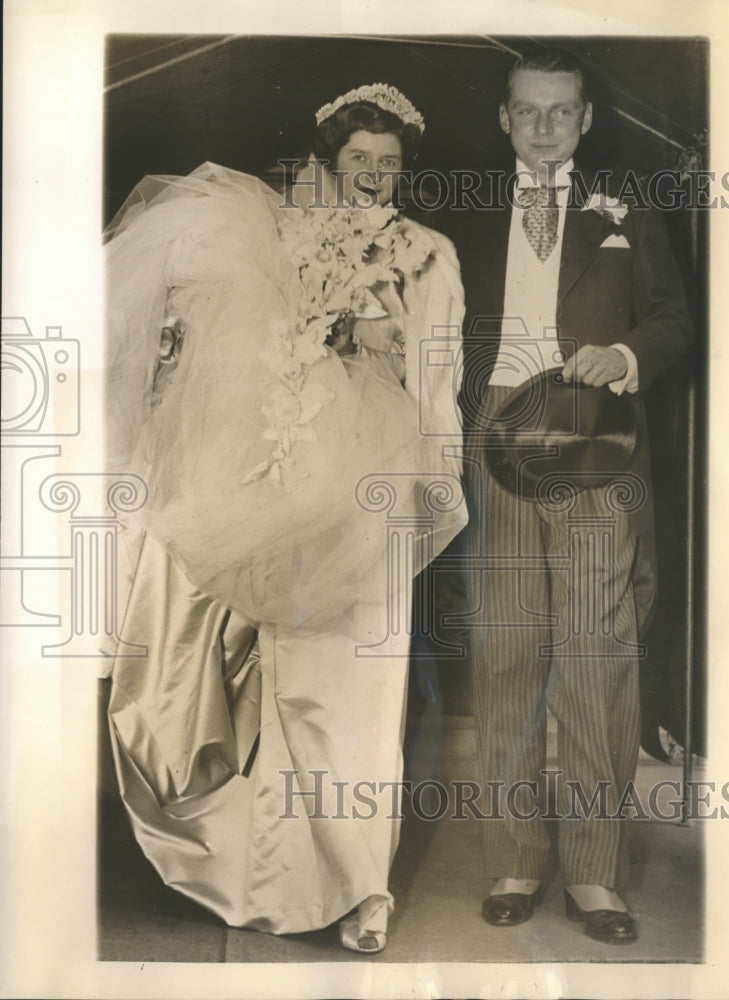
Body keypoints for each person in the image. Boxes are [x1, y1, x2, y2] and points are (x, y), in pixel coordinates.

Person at [103, 84, 466, 955]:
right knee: (268, 679)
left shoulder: (428, 255)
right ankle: (267, 873)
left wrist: (429, 485)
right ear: (327, 165)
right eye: (357, 164)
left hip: (373, 491)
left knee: (353, 695)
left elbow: (438, 385)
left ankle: (363, 888)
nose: (373, 180)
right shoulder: (282, 241)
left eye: (389, 165)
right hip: (282, 487)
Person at [447, 48, 693, 943]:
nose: (544, 126)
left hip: (599, 450)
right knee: (509, 656)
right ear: (504, 120)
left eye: (562, 111)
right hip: (497, 449)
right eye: (528, 111)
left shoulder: (627, 208)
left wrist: (622, 359)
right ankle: (514, 859)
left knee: (595, 656)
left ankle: (595, 875)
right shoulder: (460, 214)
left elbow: (671, 320)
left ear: (586, 119)